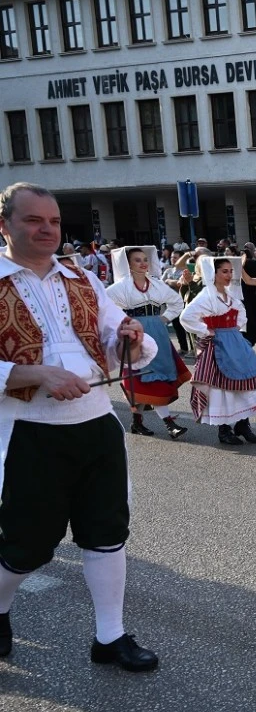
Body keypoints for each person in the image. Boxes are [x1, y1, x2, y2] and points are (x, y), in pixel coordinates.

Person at [0, 182, 160, 671]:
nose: (47, 229)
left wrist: (130, 340)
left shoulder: (80, 279)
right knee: (26, 545)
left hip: (95, 423)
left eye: (53, 221)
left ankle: (109, 637)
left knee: (107, 531)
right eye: (33, 220)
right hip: (28, 428)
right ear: (4, 225)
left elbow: (115, 336)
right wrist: (33, 373)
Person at [179, 256, 256, 446]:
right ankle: (224, 429)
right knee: (222, 386)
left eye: (230, 271)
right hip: (217, 345)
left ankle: (243, 424)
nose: (229, 275)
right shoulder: (207, 296)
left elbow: (242, 315)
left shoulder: (231, 295)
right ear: (214, 273)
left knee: (245, 381)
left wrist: (234, 330)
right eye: (224, 271)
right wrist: (206, 330)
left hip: (234, 342)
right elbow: (186, 317)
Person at [106, 246, 191, 439]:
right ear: (127, 264)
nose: (143, 263)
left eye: (145, 259)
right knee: (144, 379)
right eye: (137, 260)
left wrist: (164, 319)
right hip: (136, 335)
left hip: (158, 333)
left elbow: (177, 302)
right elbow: (104, 307)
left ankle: (137, 422)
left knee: (152, 378)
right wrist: (123, 324)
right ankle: (170, 424)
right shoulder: (120, 287)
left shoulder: (156, 284)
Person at [240, 244, 256, 345]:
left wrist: (240, 266)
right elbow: (249, 280)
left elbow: (248, 280)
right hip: (253, 295)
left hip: (248, 295)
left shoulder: (253, 263)